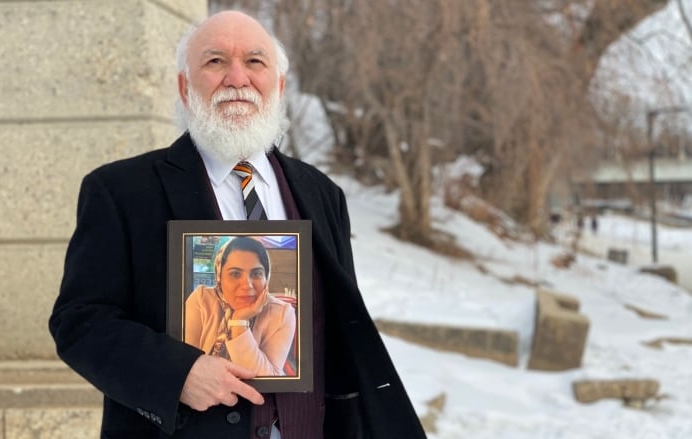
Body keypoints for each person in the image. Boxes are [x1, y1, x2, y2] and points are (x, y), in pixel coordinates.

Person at [49, 9, 426, 439]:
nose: (237, 78)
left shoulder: (322, 194)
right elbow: (80, 323)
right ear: (184, 86)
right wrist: (178, 374)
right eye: (214, 62)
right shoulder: (121, 191)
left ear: (279, 85)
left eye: (254, 61)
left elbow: (337, 334)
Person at [184, 237, 296, 376]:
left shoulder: (282, 313)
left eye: (256, 274)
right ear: (219, 277)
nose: (247, 284)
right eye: (235, 274)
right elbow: (187, 368)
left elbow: (269, 378)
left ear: (266, 277)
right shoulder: (201, 300)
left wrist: (239, 322)